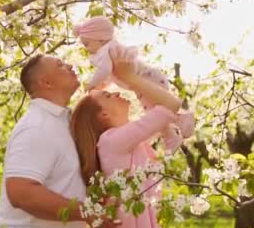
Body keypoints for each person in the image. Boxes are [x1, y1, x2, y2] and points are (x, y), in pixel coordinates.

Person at [0, 54, 118, 228]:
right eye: (60, 65)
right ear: (46, 82)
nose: (69, 64)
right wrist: (87, 212)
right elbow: (21, 192)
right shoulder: (36, 127)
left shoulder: (63, 121)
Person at [70, 46, 183, 228]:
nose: (119, 93)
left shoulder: (129, 140)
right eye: (109, 95)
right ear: (103, 115)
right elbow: (170, 106)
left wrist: (130, 78)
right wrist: (130, 77)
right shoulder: (113, 141)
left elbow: (164, 106)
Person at [73, 16, 194, 153]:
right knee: (156, 111)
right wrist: (104, 85)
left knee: (155, 111)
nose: (87, 49)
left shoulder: (105, 51)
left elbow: (105, 70)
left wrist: (92, 83)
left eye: (87, 44)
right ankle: (172, 134)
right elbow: (113, 72)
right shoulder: (110, 49)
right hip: (148, 79)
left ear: (99, 38)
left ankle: (179, 121)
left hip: (148, 79)